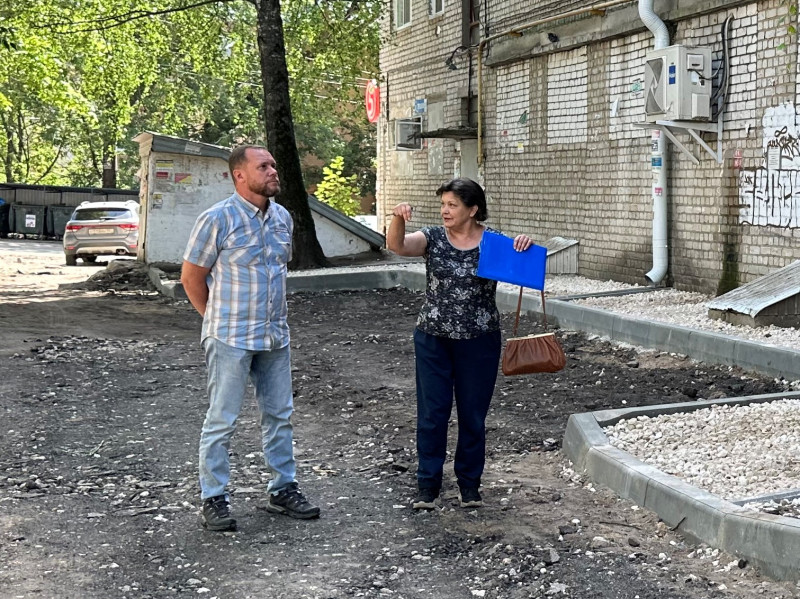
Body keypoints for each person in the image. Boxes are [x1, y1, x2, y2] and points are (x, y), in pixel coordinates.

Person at [181, 145, 320, 531]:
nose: (274, 171)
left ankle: (283, 489)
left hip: (275, 336)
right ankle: (213, 497)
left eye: (274, 164)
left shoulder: (283, 218)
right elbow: (191, 278)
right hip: (230, 338)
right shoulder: (217, 219)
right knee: (222, 420)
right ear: (239, 175)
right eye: (264, 166)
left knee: (280, 416)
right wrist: (216, 320)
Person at [386, 178, 532, 510]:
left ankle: (469, 486)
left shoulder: (493, 242)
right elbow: (398, 246)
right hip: (433, 339)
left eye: (452, 205)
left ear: (473, 209)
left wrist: (525, 244)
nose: (445, 211)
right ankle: (428, 486)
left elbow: (527, 267)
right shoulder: (433, 238)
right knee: (433, 412)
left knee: (473, 415)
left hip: (479, 341)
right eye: (443, 205)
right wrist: (397, 217)